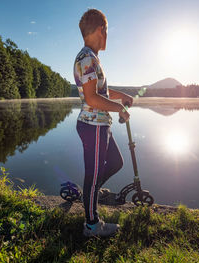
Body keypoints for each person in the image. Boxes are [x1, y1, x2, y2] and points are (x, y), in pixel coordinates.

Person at [73, 8, 133, 237]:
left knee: (116, 162)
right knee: (93, 174)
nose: (108, 36)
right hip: (93, 127)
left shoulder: (92, 58)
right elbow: (91, 98)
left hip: (101, 125)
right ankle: (92, 225)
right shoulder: (87, 58)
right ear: (101, 30)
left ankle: (92, 193)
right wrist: (120, 108)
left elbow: (102, 91)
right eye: (107, 31)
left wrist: (123, 97)